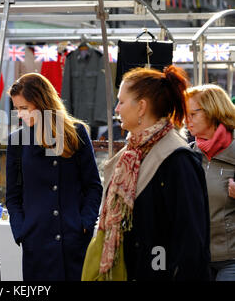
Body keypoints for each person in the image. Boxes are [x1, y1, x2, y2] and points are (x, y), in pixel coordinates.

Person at [88, 65, 210, 281]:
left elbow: (191, 242)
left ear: (141, 107)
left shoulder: (176, 158)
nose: (117, 109)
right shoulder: (132, 155)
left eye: (122, 101)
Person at [5, 72, 103, 281]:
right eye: (16, 109)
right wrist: (22, 231)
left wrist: (85, 223)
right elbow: (13, 195)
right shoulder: (17, 140)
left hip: (73, 241)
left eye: (24, 108)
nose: (20, 115)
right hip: (36, 243)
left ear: (42, 103)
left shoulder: (75, 133)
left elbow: (93, 186)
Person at [185, 84, 235, 281]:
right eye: (185, 114)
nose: (186, 120)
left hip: (231, 259)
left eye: (192, 114)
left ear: (213, 112)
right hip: (196, 258)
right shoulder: (187, 156)